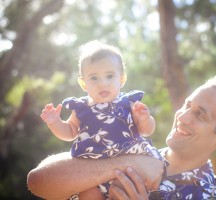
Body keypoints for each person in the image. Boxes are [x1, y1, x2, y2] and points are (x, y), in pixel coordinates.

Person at [28, 76, 216, 200]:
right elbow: (39, 181)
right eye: (186, 105)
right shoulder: (133, 149)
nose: (183, 116)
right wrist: (130, 162)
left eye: (199, 114)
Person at [39, 40, 163, 200]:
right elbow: (69, 132)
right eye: (94, 78)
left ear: (122, 79)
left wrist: (144, 118)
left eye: (110, 76)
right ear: (83, 83)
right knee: (87, 194)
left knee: (124, 192)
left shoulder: (129, 104)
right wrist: (54, 123)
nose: (102, 83)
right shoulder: (81, 108)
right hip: (92, 172)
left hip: (128, 168)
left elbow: (147, 131)